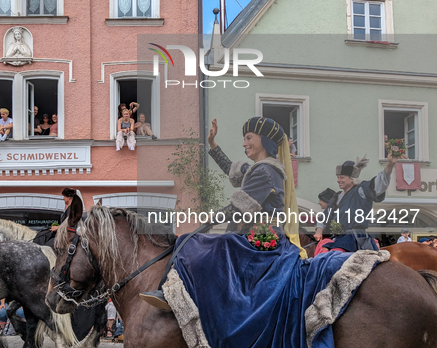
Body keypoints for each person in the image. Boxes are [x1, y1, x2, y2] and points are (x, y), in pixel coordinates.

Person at [140, 117, 304, 309]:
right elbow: (231, 169)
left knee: (192, 243)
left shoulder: (265, 171)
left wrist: (213, 218)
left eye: (249, 138)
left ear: (265, 140)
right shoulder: (259, 169)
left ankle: (181, 297)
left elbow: (238, 207)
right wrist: (213, 144)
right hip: (253, 234)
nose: (244, 143)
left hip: (260, 237)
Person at [321, 153, 398, 252]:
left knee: (334, 259)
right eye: (338, 177)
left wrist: (390, 164)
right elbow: (325, 218)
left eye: (342, 177)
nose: (338, 180)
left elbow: (379, 185)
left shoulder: (361, 189)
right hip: (337, 238)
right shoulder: (336, 197)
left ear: (352, 179)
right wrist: (319, 229)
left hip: (355, 239)